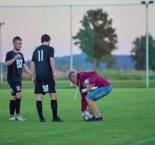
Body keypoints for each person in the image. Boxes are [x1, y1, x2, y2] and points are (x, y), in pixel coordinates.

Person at [30, 34, 63, 122]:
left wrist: (33, 76)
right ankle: (55, 117)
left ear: (41, 41)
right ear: (49, 40)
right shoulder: (50, 48)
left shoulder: (36, 50)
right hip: (47, 75)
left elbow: (32, 64)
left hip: (38, 76)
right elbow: (51, 59)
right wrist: (54, 72)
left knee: (39, 96)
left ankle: (41, 118)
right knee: (53, 95)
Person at [5, 36, 31, 121]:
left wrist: (32, 75)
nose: (20, 45)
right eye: (19, 44)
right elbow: (7, 63)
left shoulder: (21, 55)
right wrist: (15, 58)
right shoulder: (9, 54)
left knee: (14, 96)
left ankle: (11, 116)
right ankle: (18, 115)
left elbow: (24, 66)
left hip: (18, 79)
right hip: (12, 78)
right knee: (19, 95)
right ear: (14, 44)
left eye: (21, 44)